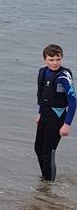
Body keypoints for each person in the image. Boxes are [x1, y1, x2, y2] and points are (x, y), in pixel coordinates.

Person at [34, 44, 75, 181]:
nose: (55, 63)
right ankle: (45, 179)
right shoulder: (43, 72)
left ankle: (49, 184)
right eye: (51, 59)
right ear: (45, 60)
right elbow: (42, 96)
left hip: (58, 116)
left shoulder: (64, 76)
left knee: (48, 152)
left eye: (58, 59)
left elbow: (73, 101)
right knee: (38, 148)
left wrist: (67, 124)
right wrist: (40, 113)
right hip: (45, 114)